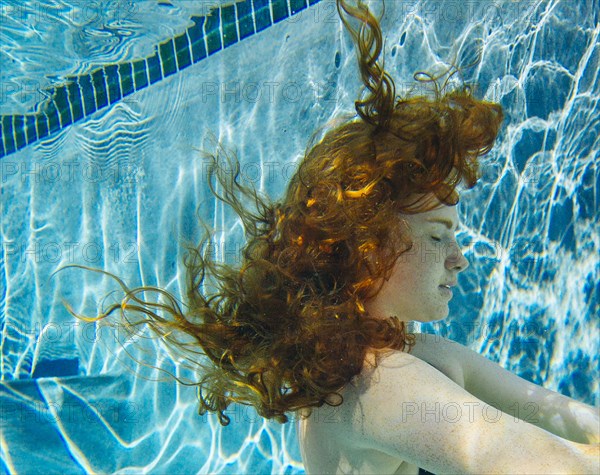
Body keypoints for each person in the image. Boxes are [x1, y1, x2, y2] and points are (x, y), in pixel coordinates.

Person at [63, 0, 599, 473]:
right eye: (438, 237)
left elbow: (559, 416)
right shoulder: (378, 384)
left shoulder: (411, 355)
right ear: (365, 247)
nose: (460, 259)